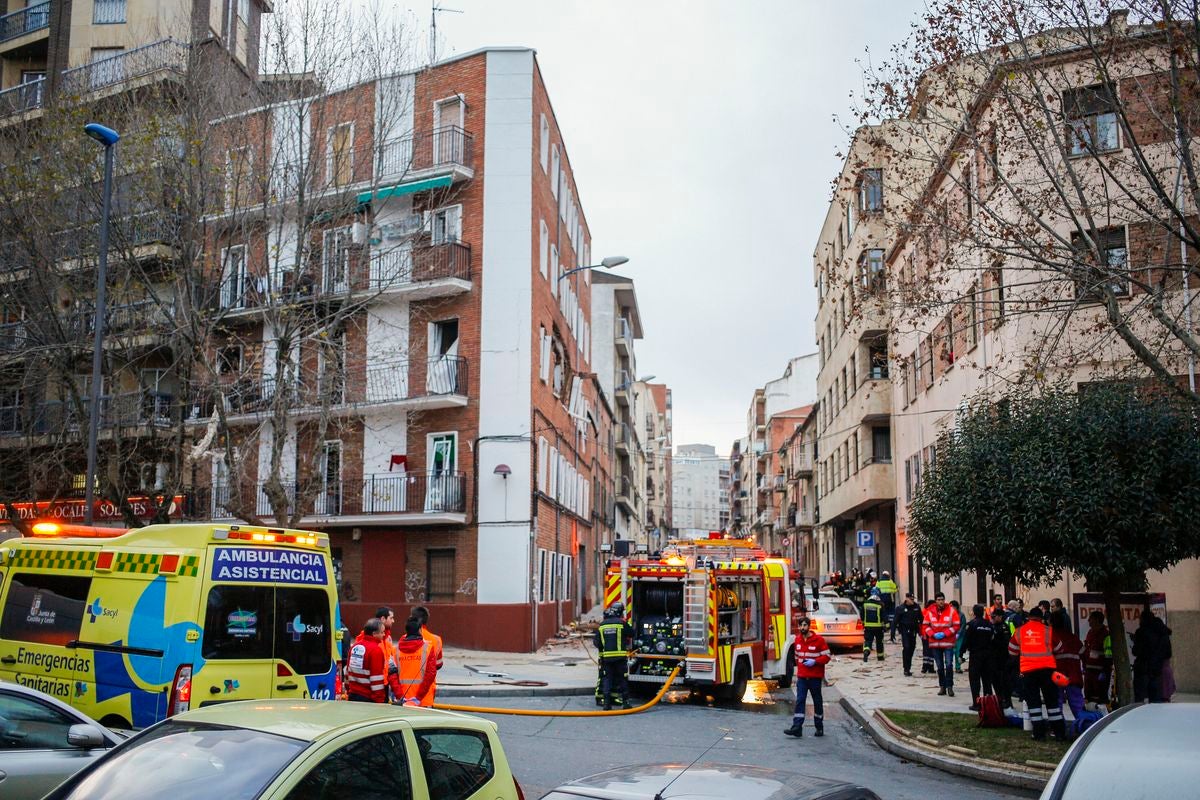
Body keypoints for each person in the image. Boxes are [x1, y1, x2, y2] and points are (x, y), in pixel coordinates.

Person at [1008, 606, 1066, 740]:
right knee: (1052, 703)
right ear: (1042, 618)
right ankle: (1059, 733)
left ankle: (1038, 733)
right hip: (1048, 670)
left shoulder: (1019, 631)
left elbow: (1012, 650)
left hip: (1028, 671)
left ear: (1028, 618)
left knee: (1033, 703)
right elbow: (1060, 648)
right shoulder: (1048, 631)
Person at [784, 617, 831, 738]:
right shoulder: (798, 640)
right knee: (800, 700)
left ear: (809, 626)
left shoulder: (818, 640)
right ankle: (797, 727)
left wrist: (814, 662)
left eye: (804, 625)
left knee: (817, 702)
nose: (802, 628)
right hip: (802, 677)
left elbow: (827, 657)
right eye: (800, 626)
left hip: (815, 677)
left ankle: (819, 727)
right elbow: (796, 657)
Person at [346, 618, 403, 703]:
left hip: (353, 695)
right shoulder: (376, 650)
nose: (384, 634)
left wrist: (348, 690)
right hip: (368, 699)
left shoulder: (354, 647)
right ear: (374, 634)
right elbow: (376, 680)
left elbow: (347, 673)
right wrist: (379, 701)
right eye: (382, 632)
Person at [595, 603, 633, 710]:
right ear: (620, 612)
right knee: (622, 679)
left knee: (607, 679)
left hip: (607, 658)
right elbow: (632, 633)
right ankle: (626, 703)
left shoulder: (602, 625)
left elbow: (597, 643)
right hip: (620, 658)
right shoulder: (622, 623)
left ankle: (607, 704)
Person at [922, 591, 960, 697]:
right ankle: (942, 687)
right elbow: (925, 626)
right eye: (938, 600)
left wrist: (945, 633)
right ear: (936, 601)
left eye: (942, 599)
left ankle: (950, 687)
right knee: (939, 666)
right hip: (935, 643)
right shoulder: (929, 612)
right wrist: (933, 634)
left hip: (947, 642)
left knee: (949, 665)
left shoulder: (951, 611)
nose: (941, 602)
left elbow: (956, 625)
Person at [394, 617, 438, 706]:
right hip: (423, 700)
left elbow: (392, 676)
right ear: (420, 630)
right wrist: (418, 698)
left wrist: (400, 695)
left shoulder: (395, 650)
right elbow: (431, 674)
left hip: (403, 700)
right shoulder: (428, 648)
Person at [1132, 609, 1173, 703]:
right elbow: (1168, 652)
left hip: (1143, 669)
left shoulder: (1141, 632)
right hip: (1157, 670)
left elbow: (1136, 650)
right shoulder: (1163, 633)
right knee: (1156, 699)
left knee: (1140, 699)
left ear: (1142, 619)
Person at [1050, 610, 1085, 719]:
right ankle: (1083, 725)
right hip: (1073, 675)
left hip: (1058, 676)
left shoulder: (1051, 637)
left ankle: (1058, 728)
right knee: (1077, 704)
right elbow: (1084, 653)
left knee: (1057, 704)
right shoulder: (1073, 637)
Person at [963, 604, 995, 711]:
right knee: (987, 680)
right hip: (988, 655)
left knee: (975, 680)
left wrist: (960, 653)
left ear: (973, 612)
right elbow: (992, 639)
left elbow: (966, 640)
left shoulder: (971, 624)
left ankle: (976, 703)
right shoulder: (989, 625)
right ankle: (988, 703)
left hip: (976, 655)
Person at [411, 605, 444, 707]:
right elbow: (438, 665)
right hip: (427, 693)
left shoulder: (404, 638)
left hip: (408, 693)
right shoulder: (436, 640)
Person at [1082, 611, 1113, 704]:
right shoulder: (1090, 633)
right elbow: (1087, 649)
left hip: (1100, 671)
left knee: (1100, 698)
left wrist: (1105, 671)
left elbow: (1108, 655)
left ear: (1097, 620)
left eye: (1090, 619)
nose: (1088, 621)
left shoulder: (1106, 635)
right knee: (1088, 696)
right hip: (1089, 671)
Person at [990, 607, 1014, 708]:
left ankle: (1006, 701)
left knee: (1004, 682)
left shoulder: (1003, 627)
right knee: (996, 681)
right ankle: (1000, 700)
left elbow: (1004, 644)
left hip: (1002, 659)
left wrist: (993, 640)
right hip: (995, 659)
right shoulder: (994, 626)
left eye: (994, 617)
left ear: (1000, 617)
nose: (992, 618)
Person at [895, 593, 923, 677]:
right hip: (904, 631)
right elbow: (895, 620)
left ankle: (908, 667)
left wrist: (921, 631)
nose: (912, 601)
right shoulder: (900, 608)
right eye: (911, 599)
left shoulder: (916, 607)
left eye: (913, 599)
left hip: (913, 631)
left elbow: (921, 619)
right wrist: (892, 632)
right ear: (906, 599)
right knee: (906, 648)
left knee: (911, 649)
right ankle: (906, 669)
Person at [862, 589, 886, 662]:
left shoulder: (865, 603)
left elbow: (862, 615)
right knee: (879, 642)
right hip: (878, 627)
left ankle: (866, 652)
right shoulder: (880, 604)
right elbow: (884, 616)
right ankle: (880, 657)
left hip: (868, 627)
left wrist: (864, 623)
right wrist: (886, 626)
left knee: (868, 641)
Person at [875, 571, 898, 641]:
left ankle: (883, 626)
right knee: (890, 613)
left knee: (882, 613)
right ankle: (891, 625)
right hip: (890, 600)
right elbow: (895, 589)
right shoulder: (890, 581)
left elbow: (876, 590)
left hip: (881, 600)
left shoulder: (878, 581)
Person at [920, 599, 937, 674]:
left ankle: (930, 666)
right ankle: (925, 666)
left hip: (932, 634)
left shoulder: (934, 612)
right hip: (926, 634)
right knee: (926, 651)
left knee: (931, 651)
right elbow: (922, 625)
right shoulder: (925, 612)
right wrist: (923, 634)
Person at [950, 600, 966, 674]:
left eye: (953, 606)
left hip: (959, 636)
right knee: (950, 652)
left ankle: (958, 667)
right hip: (950, 636)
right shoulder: (948, 615)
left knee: (958, 652)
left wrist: (958, 633)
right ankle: (949, 666)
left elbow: (963, 625)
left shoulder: (961, 615)